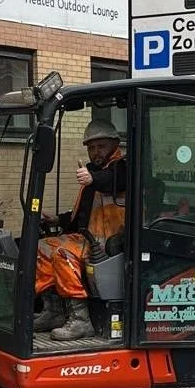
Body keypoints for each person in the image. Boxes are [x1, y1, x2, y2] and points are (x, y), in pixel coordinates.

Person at [34, 119, 127, 341]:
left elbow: (114, 180)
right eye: (91, 148)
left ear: (115, 143)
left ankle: (81, 320)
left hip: (109, 240)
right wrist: (59, 219)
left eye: (101, 146)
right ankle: (54, 310)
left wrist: (93, 178)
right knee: (42, 247)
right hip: (87, 237)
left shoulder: (123, 166)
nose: (96, 152)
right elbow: (85, 211)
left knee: (62, 253)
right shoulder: (94, 171)